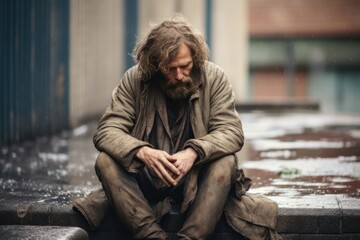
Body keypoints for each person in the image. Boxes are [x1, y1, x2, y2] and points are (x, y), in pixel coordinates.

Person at [74, 16, 282, 240]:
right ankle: (151, 235)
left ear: (195, 57)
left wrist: (194, 152)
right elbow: (106, 130)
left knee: (226, 162)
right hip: (146, 180)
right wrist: (143, 152)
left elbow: (231, 131)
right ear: (154, 66)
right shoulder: (135, 79)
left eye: (185, 66)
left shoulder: (215, 78)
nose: (179, 75)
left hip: (197, 179)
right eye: (170, 69)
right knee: (105, 161)